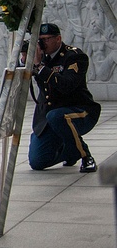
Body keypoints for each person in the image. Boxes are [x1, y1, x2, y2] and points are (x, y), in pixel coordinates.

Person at [26, 23, 100, 173]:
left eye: (46, 39)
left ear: (58, 39)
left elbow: (67, 85)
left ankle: (85, 156)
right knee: (37, 161)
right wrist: (25, 60)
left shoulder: (74, 57)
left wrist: (40, 67)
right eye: (39, 40)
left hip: (79, 111)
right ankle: (71, 151)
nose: (42, 43)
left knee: (57, 116)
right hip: (49, 118)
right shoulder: (41, 59)